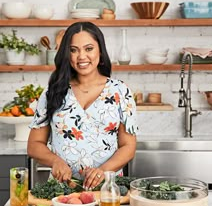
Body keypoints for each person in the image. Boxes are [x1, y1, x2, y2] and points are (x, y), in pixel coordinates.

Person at [27, 22, 138, 190]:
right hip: (61, 190)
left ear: (100, 50)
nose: (81, 56)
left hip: (107, 189)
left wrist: (102, 171)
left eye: (88, 49)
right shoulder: (53, 92)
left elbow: (128, 146)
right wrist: (55, 161)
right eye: (73, 50)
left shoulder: (120, 91)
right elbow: (34, 144)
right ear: (67, 54)